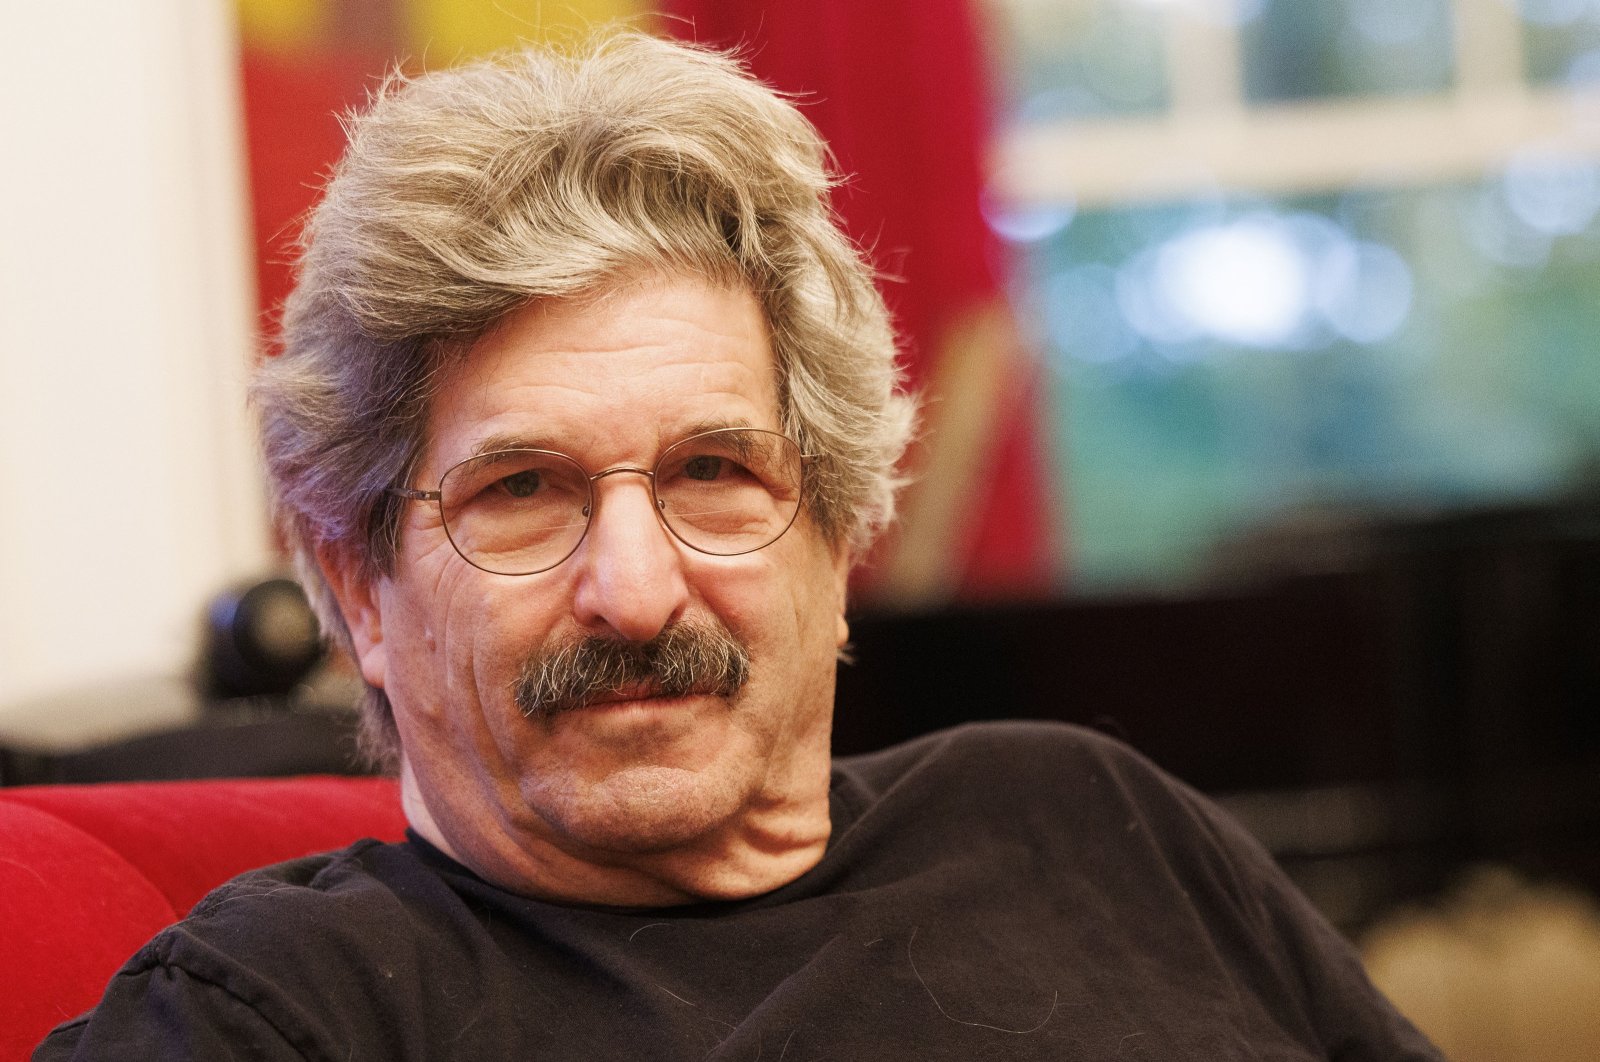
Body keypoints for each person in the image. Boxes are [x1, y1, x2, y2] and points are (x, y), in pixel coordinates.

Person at [38, 32, 1442, 1060]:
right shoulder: (282, 1013)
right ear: (361, 586)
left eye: (716, 473)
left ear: (836, 537)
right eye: (523, 488)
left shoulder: (1090, 819)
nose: (638, 590)